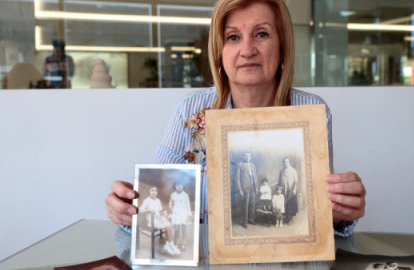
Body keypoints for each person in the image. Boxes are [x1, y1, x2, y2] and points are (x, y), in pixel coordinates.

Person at [106, 0, 366, 238]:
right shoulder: (190, 113)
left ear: (283, 45)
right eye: (233, 37)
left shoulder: (311, 110)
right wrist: (128, 211)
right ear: (219, 51)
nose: (247, 50)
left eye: (261, 34)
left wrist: (339, 213)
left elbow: (317, 214)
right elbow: (160, 204)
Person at [139, 187, 180, 255]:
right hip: (151, 220)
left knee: (169, 225)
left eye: (156, 191)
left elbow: (160, 210)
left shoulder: (158, 200)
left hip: (158, 218)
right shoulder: (146, 200)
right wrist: (148, 210)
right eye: (152, 190)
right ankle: (168, 245)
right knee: (167, 226)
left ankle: (170, 244)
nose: (154, 192)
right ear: (149, 192)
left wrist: (163, 216)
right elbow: (140, 210)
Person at [234, 152, 259, 228]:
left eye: (249, 156)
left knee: (252, 204)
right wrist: (239, 189)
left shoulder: (252, 165)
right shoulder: (239, 165)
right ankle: (244, 222)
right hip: (245, 188)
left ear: (250, 157)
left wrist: (256, 187)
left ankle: (251, 219)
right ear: (243, 157)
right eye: (246, 156)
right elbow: (237, 178)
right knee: (245, 205)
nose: (248, 157)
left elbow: (255, 176)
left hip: (253, 187)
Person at [169, 180, 192, 251]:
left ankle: (184, 244)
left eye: (181, 185)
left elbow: (188, 206)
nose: (179, 187)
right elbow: (170, 204)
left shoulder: (185, 195)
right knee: (176, 229)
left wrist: (189, 216)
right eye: (177, 185)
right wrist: (172, 210)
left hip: (184, 214)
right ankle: (177, 243)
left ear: (183, 186)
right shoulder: (173, 195)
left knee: (184, 229)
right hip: (176, 214)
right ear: (174, 186)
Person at [278, 157, 298, 223]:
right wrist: (280, 188)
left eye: (287, 161)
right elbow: (279, 180)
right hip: (283, 189)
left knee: (290, 202)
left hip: (290, 189)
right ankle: (286, 216)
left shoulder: (293, 170)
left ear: (289, 162)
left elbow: (295, 181)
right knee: (284, 202)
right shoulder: (281, 171)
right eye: (284, 162)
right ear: (283, 163)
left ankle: (290, 217)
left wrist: (294, 189)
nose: (285, 163)